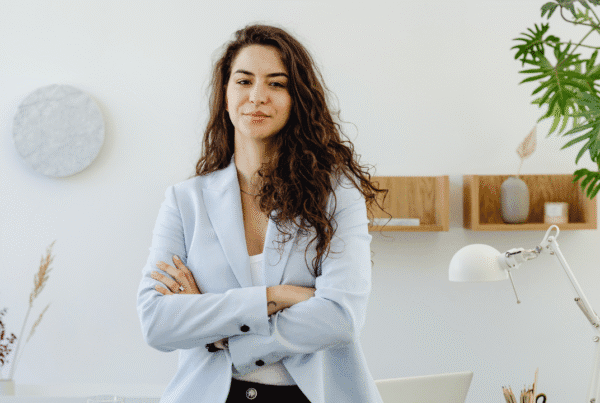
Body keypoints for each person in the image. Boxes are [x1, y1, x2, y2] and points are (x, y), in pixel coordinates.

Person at [137, 24, 388, 403]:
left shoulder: (336, 195)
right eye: (243, 81)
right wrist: (280, 294)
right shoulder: (185, 201)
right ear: (225, 95)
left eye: (276, 83)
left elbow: (340, 317)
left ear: (296, 99)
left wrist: (221, 334)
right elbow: (157, 323)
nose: (257, 97)